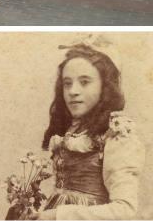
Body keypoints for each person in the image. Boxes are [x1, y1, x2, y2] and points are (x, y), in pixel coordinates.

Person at [32, 43, 144, 220]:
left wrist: (58, 216)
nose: (73, 91)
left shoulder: (116, 133)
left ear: (104, 87)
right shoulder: (72, 128)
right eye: (67, 84)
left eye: (84, 82)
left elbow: (124, 210)